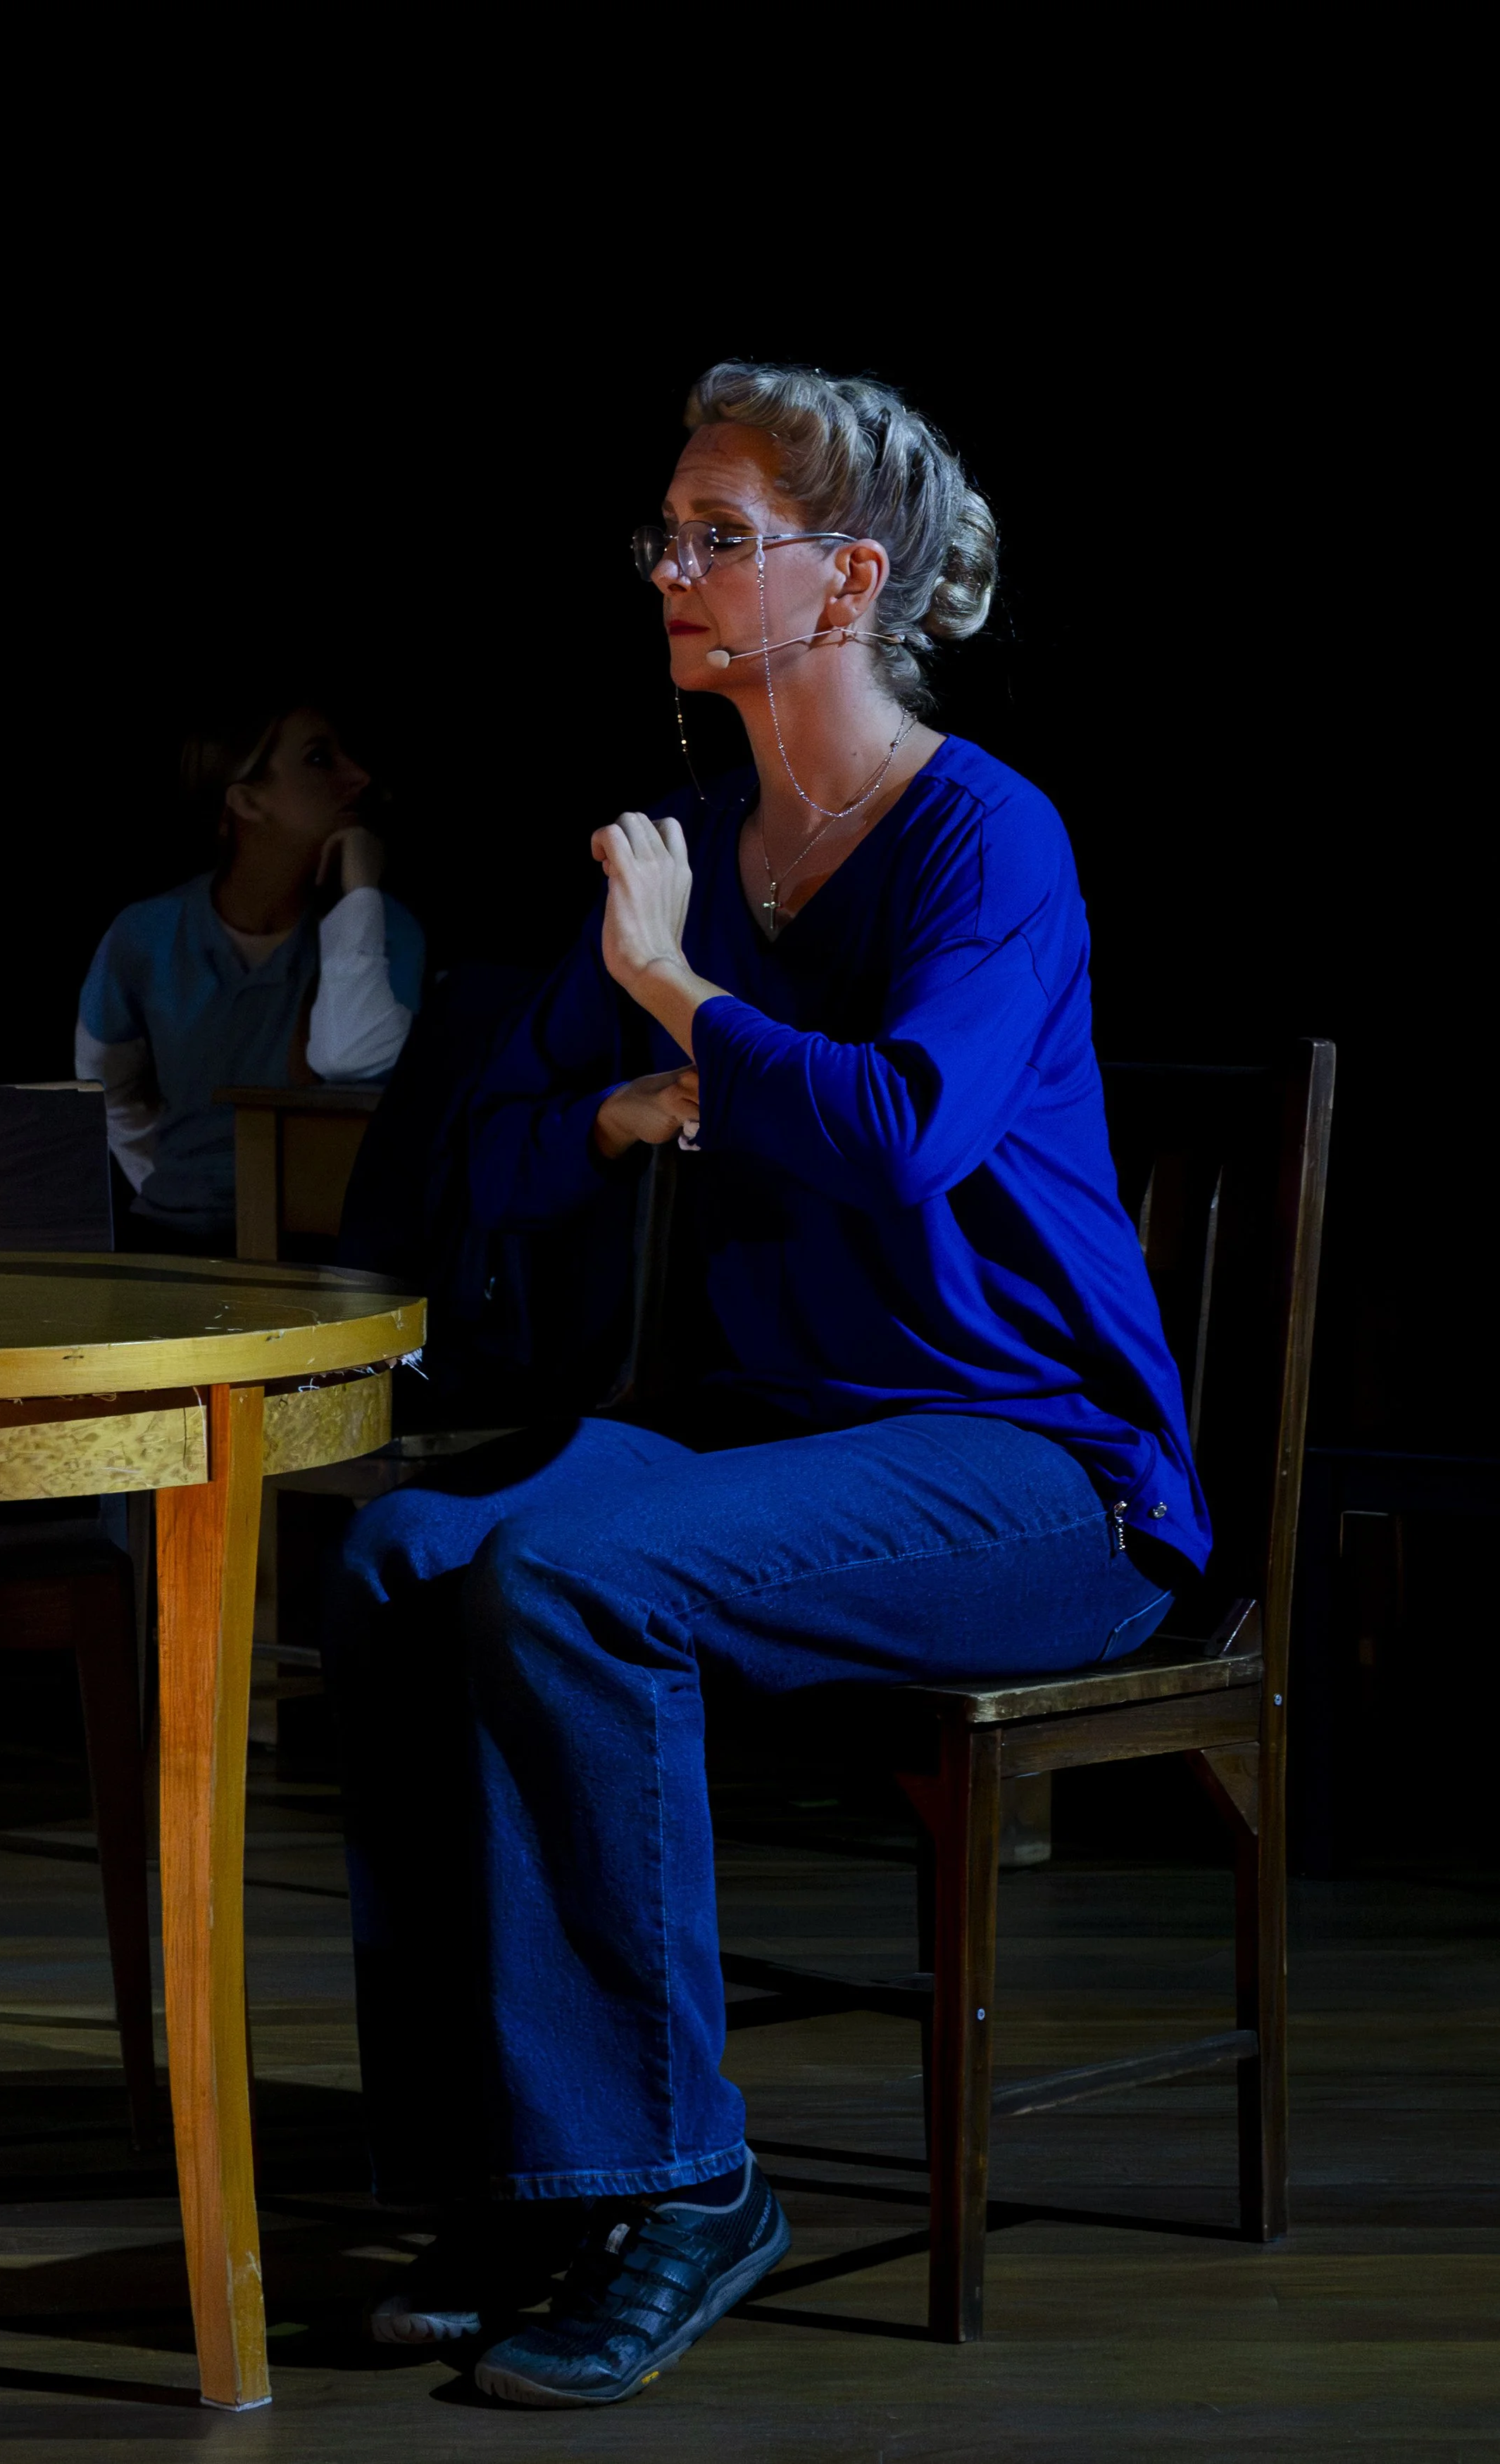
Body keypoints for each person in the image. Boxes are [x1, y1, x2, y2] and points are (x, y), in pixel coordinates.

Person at [327, 363, 1209, 2408]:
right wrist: (635, 1097)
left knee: (565, 1579)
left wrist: (670, 994)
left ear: (849, 579)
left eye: (718, 533)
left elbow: (896, 1126)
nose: (671, 564)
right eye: (667, 528)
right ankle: (518, 2178)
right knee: (392, 1554)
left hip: (1031, 1464)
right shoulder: (699, 840)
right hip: (783, 1428)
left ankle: (676, 2177)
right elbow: (487, 1142)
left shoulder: (987, 836)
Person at [75, 696, 425, 1251]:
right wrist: (178, 1184)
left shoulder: (385, 931)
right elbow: (108, 1088)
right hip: (173, 1239)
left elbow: (352, 1054)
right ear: (247, 800)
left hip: (323, 1247)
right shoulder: (145, 936)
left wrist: (359, 894)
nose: (357, 777)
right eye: (318, 759)